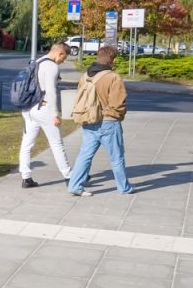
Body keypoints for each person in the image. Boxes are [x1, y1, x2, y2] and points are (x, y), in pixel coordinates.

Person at [67, 45, 131, 197]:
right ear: (112, 60)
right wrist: (118, 116)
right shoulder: (113, 77)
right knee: (116, 157)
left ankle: (75, 186)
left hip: (89, 120)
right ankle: (124, 188)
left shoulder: (85, 76)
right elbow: (118, 103)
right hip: (108, 122)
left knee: (85, 155)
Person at [19, 41, 72, 188]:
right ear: (60, 53)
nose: (63, 61)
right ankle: (69, 176)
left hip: (29, 108)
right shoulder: (51, 66)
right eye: (64, 57)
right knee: (56, 143)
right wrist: (55, 114)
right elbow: (50, 92)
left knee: (27, 144)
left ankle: (26, 177)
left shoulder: (36, 62)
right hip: (44, 109)